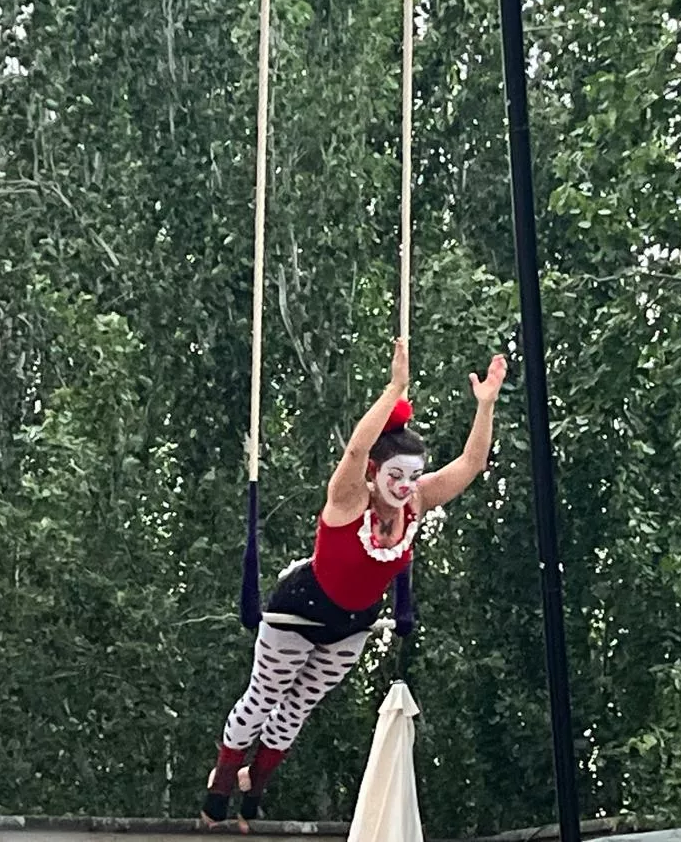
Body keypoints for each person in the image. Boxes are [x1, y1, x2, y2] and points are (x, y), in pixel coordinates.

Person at [201, 338, 507, 829]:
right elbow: (357, 446)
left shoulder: (417, 504)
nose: (406, 485)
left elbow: (470, 465)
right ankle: (222, 781)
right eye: (397, 475)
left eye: (414, 475)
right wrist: (394, 390)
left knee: (297, 708)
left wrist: (486, 406)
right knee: (264, 696)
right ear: (374, 473)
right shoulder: (349, 498)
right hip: (299, 610)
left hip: (350, 624)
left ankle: (255, 784)